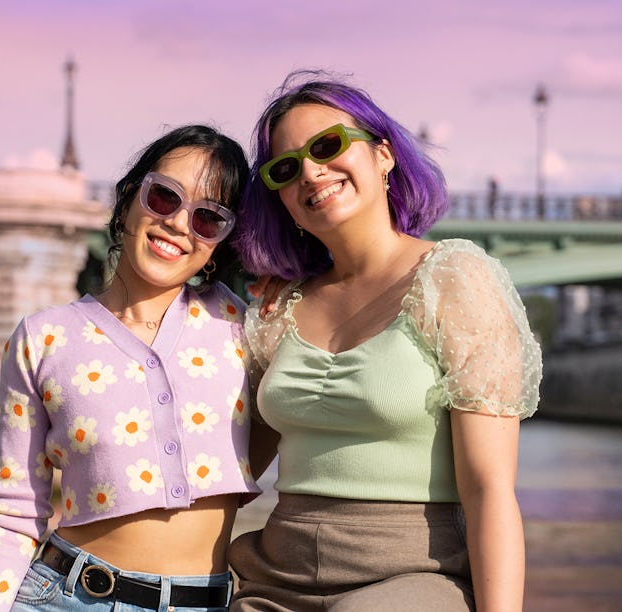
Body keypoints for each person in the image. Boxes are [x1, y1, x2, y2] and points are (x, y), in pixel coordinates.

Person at [228, 71, 543, 611]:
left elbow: (489, 491)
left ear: (383, 155)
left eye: (327, 146)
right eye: (286, 168)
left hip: (410, 578)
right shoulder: (279, 308)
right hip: (273, 582)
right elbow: (232, 472)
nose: (311, 172)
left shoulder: (455, 280)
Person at [0, 124, 261, 611]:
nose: (180, 224)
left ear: (221, 242)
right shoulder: (43, 338)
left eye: (208, 218)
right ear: (128, 201)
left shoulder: (244, 328)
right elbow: (13, 507)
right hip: (65, 597)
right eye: (165, 197)